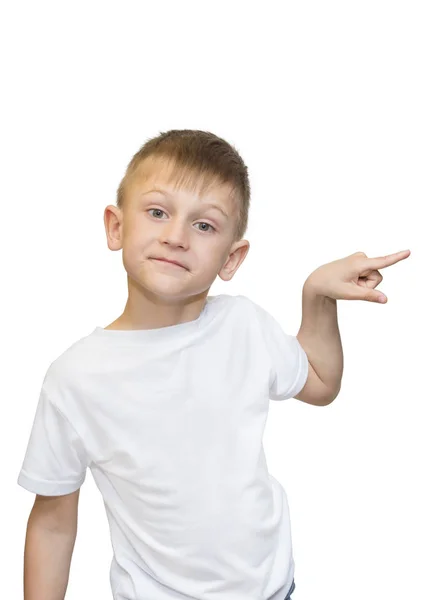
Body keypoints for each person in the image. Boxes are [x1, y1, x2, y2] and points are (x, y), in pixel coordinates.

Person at [17, 129, 410, 600]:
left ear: (232, 257)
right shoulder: (75, 378)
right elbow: (54, 523)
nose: (176, 237)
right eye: (158, 212)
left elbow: (322, 383)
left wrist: (317, 296)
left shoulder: (243, 325)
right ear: (115, 227)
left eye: (204, 225)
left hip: (273, 589)